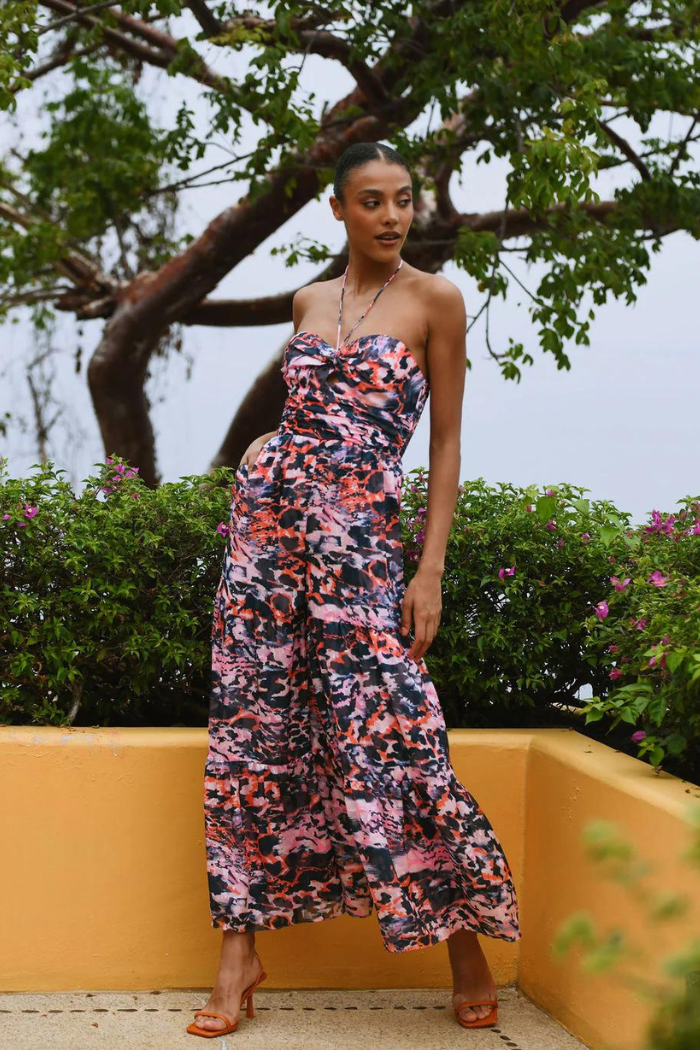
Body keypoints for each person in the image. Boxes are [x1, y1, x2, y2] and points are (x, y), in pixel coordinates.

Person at [188, 142, 521, 1039]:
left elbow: (444, 443)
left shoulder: (436, 300)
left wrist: (429, 568)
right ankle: (237, 956)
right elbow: (308, 415)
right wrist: (265, 449)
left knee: (396, 733)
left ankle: (463, 945)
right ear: (337, 210)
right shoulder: (308, 301)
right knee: (253, 736)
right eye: (371, 201)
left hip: (363, 553)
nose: (392, 216)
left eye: (403, 200)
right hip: (266, 544)